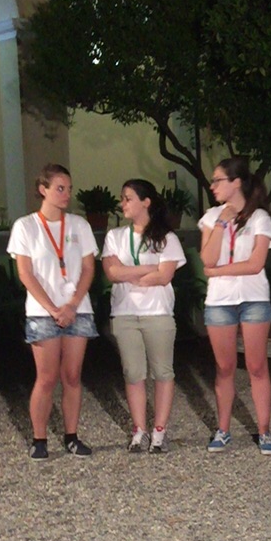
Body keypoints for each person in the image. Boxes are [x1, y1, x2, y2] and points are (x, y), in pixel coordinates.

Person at [7, 163, 99, 460]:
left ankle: (72, 436)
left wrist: (71, 305)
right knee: (46, 378)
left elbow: (88, 268)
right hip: (42, 312)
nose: (66, 194)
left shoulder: (79, 225)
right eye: (60, 188)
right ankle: (39, 439)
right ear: (42, 189)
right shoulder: (26, 226)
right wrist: (52, 308)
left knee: (72, 376)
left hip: (77, 310)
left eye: (69, 189)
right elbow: (25, 273)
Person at [198, 156, 271, 454]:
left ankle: (265, 431)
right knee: (224, 367)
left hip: (253, 298)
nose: (212, 186)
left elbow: (255, 264)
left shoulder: (259, 218)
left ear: (236, 182)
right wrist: (222, 222)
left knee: (257, 366)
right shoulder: (211, 217)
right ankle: (223, 430)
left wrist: (217, 271)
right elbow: (206, 258)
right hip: (220, 301)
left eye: (217, 180)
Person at [101, 179, 187, 453]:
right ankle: (139, 430)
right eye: (123, 198)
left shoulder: (167, 238)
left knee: (163, 371)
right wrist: (149, 268)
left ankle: (159, 431)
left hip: (157, 313)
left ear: (146, 202)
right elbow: (112, 273)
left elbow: (164, 276)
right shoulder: (115, 236)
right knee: (133, 373)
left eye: (128, 198)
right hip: (125, 313)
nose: (122, 204)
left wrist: (129, 272)